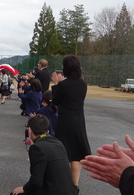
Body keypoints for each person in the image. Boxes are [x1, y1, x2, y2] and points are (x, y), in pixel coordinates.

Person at [11, 115, 77, 195]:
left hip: (53, 191)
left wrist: (24, 188)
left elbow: (36, 181)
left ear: (29, 131)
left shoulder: (37, 148)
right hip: (70, 192)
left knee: (15, 193)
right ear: (47, 131)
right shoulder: (58, 143)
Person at [51, 55, 91, 189]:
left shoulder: (63, 85)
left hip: (65, 120)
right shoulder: (83, 84)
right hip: (79, 120)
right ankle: (75, 185)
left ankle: (64, 184)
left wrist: (57, 84)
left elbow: (55, 101)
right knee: (76, 155)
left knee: (64, 152)